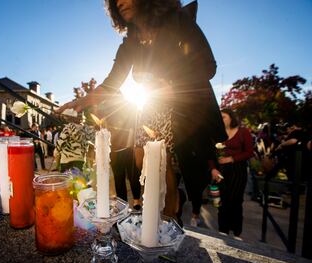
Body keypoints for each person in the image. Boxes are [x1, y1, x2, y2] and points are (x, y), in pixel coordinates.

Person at [57, 0, 227, 219]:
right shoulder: (130, 44)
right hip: (150, 107)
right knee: (143, 163)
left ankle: (169, 215)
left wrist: (172, 82)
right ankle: (160, 210)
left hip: (183, 108)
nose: (119, 3)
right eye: (114, 2)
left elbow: (208, 66)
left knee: (165, 164)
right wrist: (84, 100)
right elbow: (112, 82)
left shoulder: (178, 20)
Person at [210, 109, 254, 237]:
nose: (221, 119)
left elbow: (249, 152)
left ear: (231, 118)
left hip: (237, 171)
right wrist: (213, 169)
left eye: (223, 117)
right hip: (219, 172)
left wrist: (231, 159)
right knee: (219, 202)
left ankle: (236, 232)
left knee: (235, 202)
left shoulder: (243, 132)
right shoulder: (217, 134)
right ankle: (223, 232)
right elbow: (210, 154)